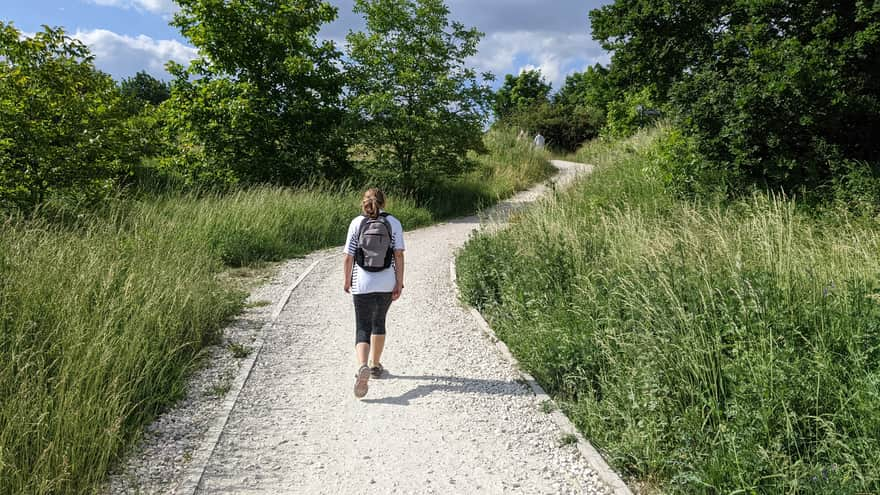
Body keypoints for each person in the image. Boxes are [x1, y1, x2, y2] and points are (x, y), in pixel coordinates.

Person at [343, 188, 405, 398]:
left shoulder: (357, 223)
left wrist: (346, 280)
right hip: (386, 281)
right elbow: (398, 255)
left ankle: (362, 366)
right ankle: (375, 365)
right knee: (379, 322)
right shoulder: (393, 223)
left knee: (362, 326)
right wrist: (399, 282)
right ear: (384, 201)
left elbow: (348, 257)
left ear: (365, 202)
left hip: (362, 282)